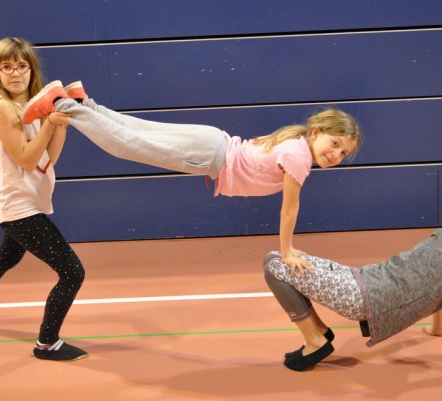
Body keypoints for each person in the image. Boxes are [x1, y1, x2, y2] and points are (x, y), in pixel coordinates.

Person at [21, 81, 362, 273]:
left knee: (137, 131)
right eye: (334, 144)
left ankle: (84, 100)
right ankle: (64, 104)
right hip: (210, 154)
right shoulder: (300, 157)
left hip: (212, 143)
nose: (335, 155)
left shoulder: (295, 139)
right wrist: (286, 251)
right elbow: (290, 209)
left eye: (343, 153)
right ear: (317, 131)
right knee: (127, 144)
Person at [263, 188, 442, 388]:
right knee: (277, 257)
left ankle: (315, 340)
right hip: (362, 277)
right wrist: (437, 327)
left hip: (362, 297)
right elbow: (437, 284)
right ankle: (318, 331)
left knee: (274, 266)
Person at [0, 37, 87, 361]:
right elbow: (27, 159)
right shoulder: (1, 108)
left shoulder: (33, 108)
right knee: (72, 272)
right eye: (7, 67)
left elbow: (47, 160)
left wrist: (61, 123)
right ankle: (47, 343)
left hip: (31, 199)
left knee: (7, 257)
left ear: (32, 70)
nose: (15, 74)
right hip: (19, 208)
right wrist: (48, 124)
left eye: (22, 66)